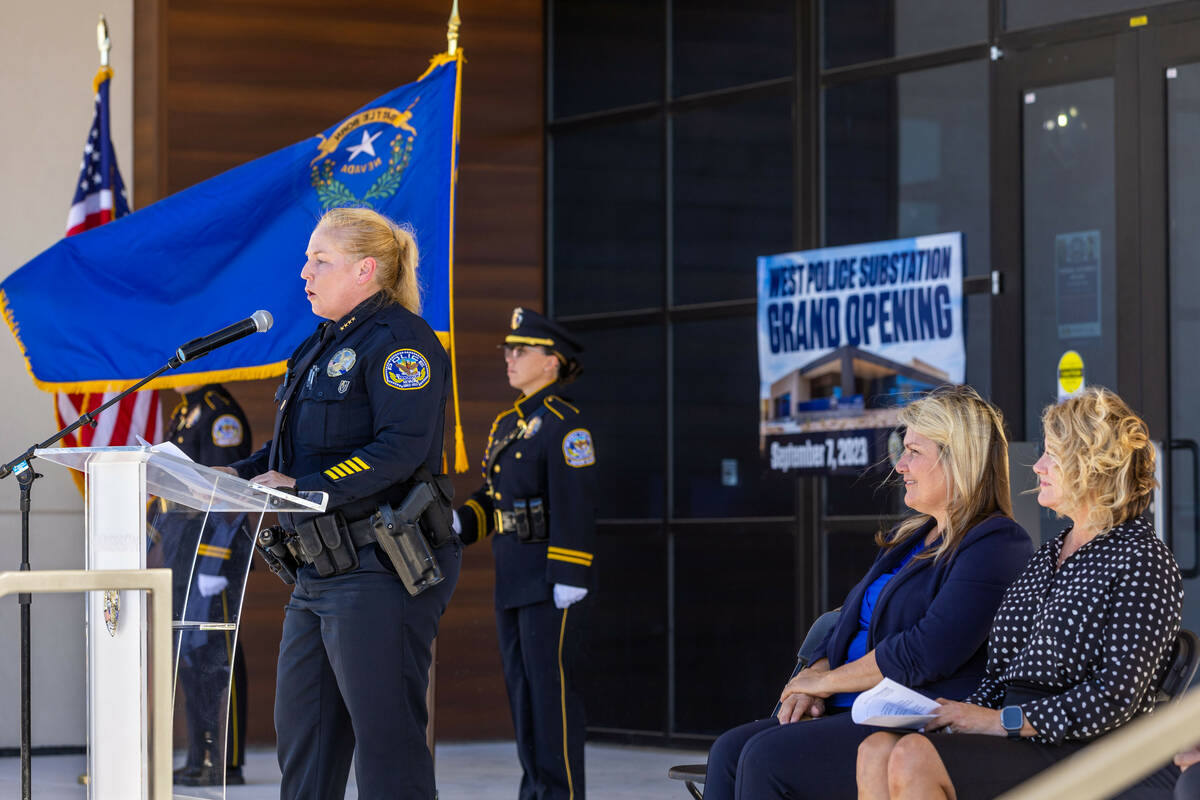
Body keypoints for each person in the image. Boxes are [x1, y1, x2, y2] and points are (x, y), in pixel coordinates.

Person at [224, 207, 459, 800]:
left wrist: (306, 491)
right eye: (307, 258)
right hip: (318, 569)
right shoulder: (317, 346)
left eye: (319, 260)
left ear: (366, 270)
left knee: (388, 748)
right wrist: (225, 475)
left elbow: (400, 449)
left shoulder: (403, 344)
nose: (304, 272)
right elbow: (288, 454)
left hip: (379, 568)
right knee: (305, 739)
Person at [704, 384, 1033, 800]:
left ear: (958, 461)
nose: (901, 466)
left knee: (764, 759)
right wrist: (818, 675)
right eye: (903, 450)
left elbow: (926, 650)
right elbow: (845, 618)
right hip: (853, 706)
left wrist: (827, 684)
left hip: (913, 720)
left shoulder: (997, 543)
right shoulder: (912, 535)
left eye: (914, 452)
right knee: (729, 750)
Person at [857, 386, 1184, 800]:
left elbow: (1114, 697)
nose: (1039, 466)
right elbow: (1000, 675)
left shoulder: (1142, 559)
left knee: (912, 758)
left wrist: (1001, 721)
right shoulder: (1050, 552)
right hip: (1017, 732)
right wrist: (950, 716)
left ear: (1091, 464)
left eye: (1052, 453)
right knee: (876, 749)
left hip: (1086, 749)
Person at [455, 307, 596, 800]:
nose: (510, 359)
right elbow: (494, 501)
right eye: (509, 350)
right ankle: (535, 790)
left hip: (549, 578)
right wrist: (459, 522)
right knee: (522, 693)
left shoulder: (564, 425)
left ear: (552, 362)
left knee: (550, 694)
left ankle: (561, 794)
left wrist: (570, 573)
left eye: (522, 350)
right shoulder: (508, 424)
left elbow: (574, 500)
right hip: (511, 573)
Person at [158, 384, 252, 786]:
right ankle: (199, 755)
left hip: (212, 553)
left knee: (217, 652)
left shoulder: (219, 414)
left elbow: (226, 494)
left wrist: (216, 560)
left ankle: (224, 760)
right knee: (192, 655)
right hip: (184, 551)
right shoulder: (186, 412)